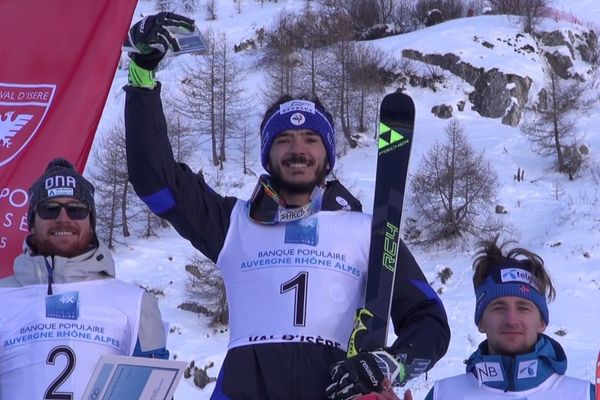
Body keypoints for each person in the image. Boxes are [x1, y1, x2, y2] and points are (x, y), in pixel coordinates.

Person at [123, 12, 450, 400]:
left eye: (311, 139)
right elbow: (154, 182)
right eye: (285, 140)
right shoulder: (233, 223)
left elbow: (429, 320)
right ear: (267, 155)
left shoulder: (369, 231)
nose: (298, 149)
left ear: (327, 156)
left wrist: (392, 361)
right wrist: (142, 77)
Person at [0, 158, 169, 399]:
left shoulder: (137, 303)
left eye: (76, 209)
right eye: (50, 208)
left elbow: (156, 393)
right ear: (31, 223)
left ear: (91, 223)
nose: (63, 218)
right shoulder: (2, 297)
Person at [425, 236, 596, 399]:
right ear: (481, 322)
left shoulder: (585, 395)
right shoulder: (444, 394)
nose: (511, 320)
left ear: (542, 322)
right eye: (498, 308)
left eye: (523, 308)